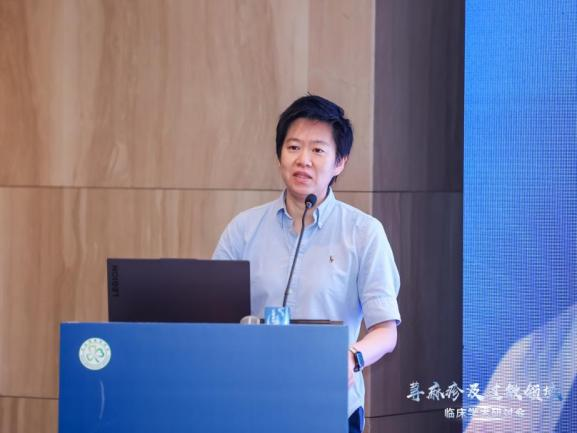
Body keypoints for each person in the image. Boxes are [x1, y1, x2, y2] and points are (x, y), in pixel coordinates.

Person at [213, 95, 401, 433]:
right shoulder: (244, 229)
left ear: (340, 162)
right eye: (294, 147)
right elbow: (212, 317)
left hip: (330, 406)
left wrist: (352, 357)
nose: (303, 160)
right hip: (251, 403)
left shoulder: (364, 233)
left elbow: (386, 331)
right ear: (280, 155)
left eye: (317, 150)